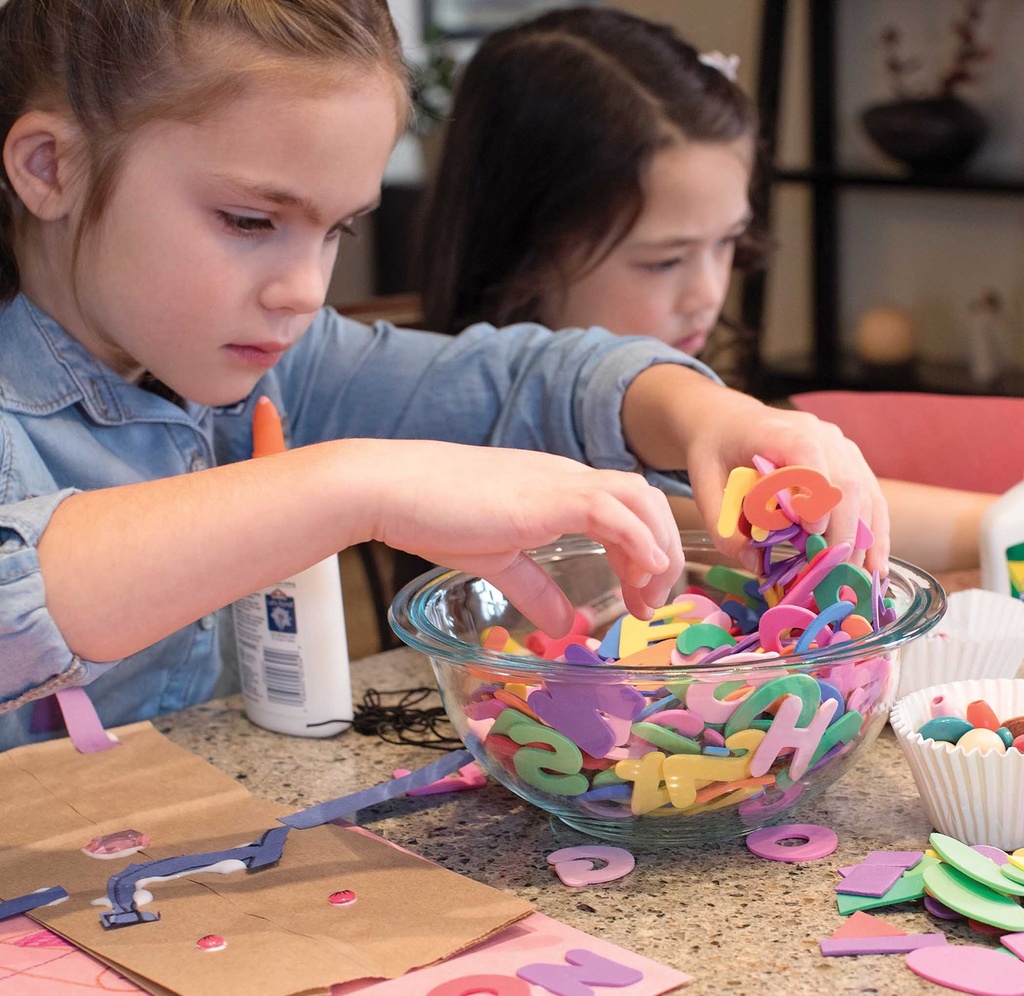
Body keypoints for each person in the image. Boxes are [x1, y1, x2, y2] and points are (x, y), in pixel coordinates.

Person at [0, 0, 888, 751]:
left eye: (337, 231)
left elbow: (521, 379)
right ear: (52, 167)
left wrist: (701, 413)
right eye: (247, 221)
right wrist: (355, 485)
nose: (305, 291)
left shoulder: (279, 364)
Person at [416, 5, 993, 574]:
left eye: (727, 244)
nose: (708, 294)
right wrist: (997, 527)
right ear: (522, 245)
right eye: (664, 261)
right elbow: (714, 517)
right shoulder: (479, 460)